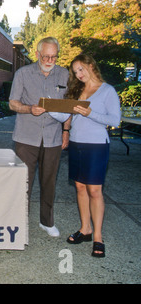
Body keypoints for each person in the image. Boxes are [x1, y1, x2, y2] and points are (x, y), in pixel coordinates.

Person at [49, 54, 121, 257]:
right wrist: (48, 108)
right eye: (75, 72)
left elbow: (115, 119)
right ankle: (85, 229)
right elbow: (66, 116)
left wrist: (91, 114)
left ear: (91, 66)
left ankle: (98, 237)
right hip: (76, 142)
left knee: (95, 190)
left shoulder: (107, 91)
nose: (79, 75)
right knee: (80, 187)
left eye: (81, 69)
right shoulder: (77, 90)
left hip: (97, 145)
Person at [9, 37, 71, 237]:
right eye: (46, 56)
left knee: (49, 182)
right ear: (37, 54)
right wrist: (29, 109)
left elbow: (69, 108)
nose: (50, 60)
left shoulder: (64, 75)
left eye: (54, 57)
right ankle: (19, 224)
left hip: (53, 137)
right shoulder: (23, 73)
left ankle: (47, 222)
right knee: (23, 182)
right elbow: (12, 103)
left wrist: (66, 131)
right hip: (26, 137)